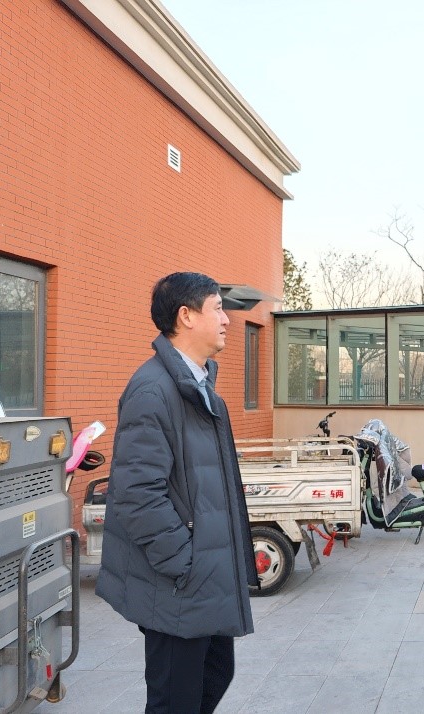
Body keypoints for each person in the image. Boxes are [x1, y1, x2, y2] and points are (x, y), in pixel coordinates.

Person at [96, 272, 258, 714]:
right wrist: (182, 563)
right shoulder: (154, 390)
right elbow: (137, 494)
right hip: (177, 583)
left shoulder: (199, 386)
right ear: (186, 316)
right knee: (175, 701)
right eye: (217, 308)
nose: (226, 320)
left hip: (204, 578)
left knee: (215, 674)